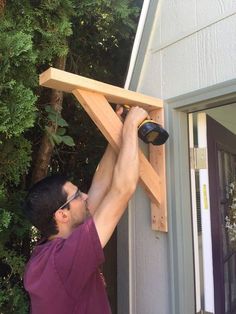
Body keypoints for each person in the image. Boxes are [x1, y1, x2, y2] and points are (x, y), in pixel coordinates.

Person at [23, 106, 148, 314]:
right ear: (62, 215)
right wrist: (132, 125)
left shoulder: (50, 250)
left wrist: (116, 131)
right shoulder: (64, 261)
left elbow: (100, 184)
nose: (86, 196)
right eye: (78, 195)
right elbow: (123, 190)